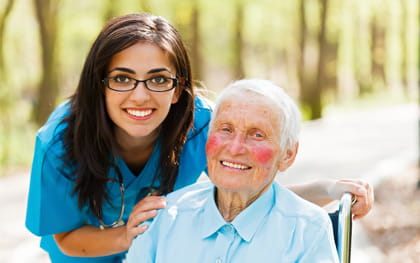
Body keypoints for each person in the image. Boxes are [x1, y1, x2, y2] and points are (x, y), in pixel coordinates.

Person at [25, 13, 372, 263]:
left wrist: (329, 190)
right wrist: (129, 234)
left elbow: (249, 193)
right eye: (122, 78)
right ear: (98, 85)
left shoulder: (204, 126)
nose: (141, 96)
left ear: (178, 89)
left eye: (159, 79)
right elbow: (67, 238)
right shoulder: (59, 144)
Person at [127, 79, 339, 262]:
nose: (235, 148)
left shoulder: (308, 230)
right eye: (225, 129)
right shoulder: (163, 219)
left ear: (288, 155)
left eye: (257, 135)